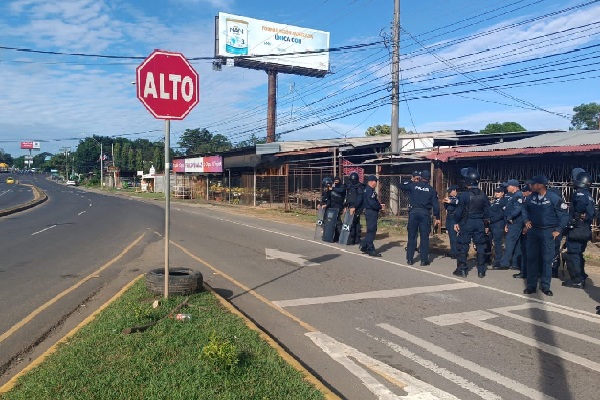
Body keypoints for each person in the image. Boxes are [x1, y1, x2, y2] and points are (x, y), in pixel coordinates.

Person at [523, 175, 569, 296]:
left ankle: (545, 286)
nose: (530, 186)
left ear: (540, 185)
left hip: (548, 232)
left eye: (533, 184)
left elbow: (564, 215)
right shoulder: (531, 198)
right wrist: (526, 220)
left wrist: (558, 230)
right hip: (533, 231)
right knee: (532, 258)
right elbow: (524, 209)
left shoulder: (554, 198)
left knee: (546, 260)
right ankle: (531, 285)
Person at [452, 167, 490, 278]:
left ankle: (462, 269)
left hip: (467, 222)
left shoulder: (463, 195)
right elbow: (488, 212)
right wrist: (486, 225)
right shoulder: (483, 195)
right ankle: (481, 271)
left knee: (463, 245)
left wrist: (456, 222)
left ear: (468, 181)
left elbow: (459, 211)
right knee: (481, 246)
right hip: (479, 223)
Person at [562, 169, 596, 289]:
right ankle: (581, 276)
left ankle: (577, 279)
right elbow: (592, 213)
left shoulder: (580, 193)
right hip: (584, 230)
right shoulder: (590, 196)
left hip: (577, 229)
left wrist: (576, 216)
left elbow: (580, 205)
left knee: (573, 254)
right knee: (578, 254)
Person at [400, 169, 441, 266]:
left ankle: (410, 259)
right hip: (425, 214)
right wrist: (437, 217)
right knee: (424, 237)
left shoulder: (413, 185)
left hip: (413, 213)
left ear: (421, 177)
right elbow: (436, 205)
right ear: (429, 179)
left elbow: (401, 186)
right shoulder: (431, 190)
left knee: (412, 236)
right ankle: (423, 260)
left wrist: (412, 180)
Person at [494, 179, 524, 271]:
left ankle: (505, 263)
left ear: (514, 186)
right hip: (513, 222)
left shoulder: (518, 195)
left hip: (515, 222)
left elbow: (518, 208)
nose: (507, 188)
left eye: (508, 186)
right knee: (517, 244)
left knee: (509, 242)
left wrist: (510, 217)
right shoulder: (514, 195)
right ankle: (515, 263)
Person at [359, 175, 385, 257]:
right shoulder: (369, 191)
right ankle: (370, 248)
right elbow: (372, 203)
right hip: (371, 212)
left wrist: (379, 205)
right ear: (372, 182)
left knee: (371, 230)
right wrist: (380, 207)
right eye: (375, 181)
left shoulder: (368, 190)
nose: (376, 183)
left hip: (369, 211)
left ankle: (364, 246)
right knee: (372, 231)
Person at [513, 184, 532, 279]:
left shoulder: (530, 200)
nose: (523, 194)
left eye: (525, 192)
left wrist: (526, 226)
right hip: (535, 229)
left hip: (531, 229)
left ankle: (525, 272)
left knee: (526, 251)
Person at [488, 186, 507, 267]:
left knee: (497, 243)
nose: (496, 193)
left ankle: (498, 260)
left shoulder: (504, 201)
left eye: (498, 192)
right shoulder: (494, 201)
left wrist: (491, 220)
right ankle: (488, 258)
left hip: (498, 224)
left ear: (502, 193)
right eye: (495, 192)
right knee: (489, 241)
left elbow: (502, 214)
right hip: (491, 225)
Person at [344, 172, 365, 245]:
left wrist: (354, 207)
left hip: (356, 207)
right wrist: (346, 206)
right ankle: (355, 239)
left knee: (353, 223)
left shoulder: (359, 187)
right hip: (350, 206)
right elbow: (348, 197)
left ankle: (352, 239)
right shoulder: (350, 186)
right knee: (354, 223)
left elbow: (360, 198)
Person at [443, 185, 460, 259]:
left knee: (454, 235)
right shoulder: (449, 198)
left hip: (455, 216)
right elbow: (446, 208)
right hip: (449, 217)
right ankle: (453, 251)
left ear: (454, 190)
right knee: (450, 234)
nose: (449, 193)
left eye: (451, 191)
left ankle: (456, 252)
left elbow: (459, 203)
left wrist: (451, 201)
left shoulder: (459, 198)